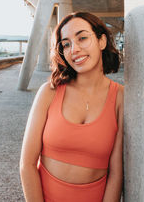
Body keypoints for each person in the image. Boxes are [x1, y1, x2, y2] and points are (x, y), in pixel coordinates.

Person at [20, 12, 124, 202]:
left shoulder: (120, 97)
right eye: (66, 44)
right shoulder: (49, 92)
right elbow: (26, 164)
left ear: (101, 41)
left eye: (82, 38)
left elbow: (116, 173)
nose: (74, 49)